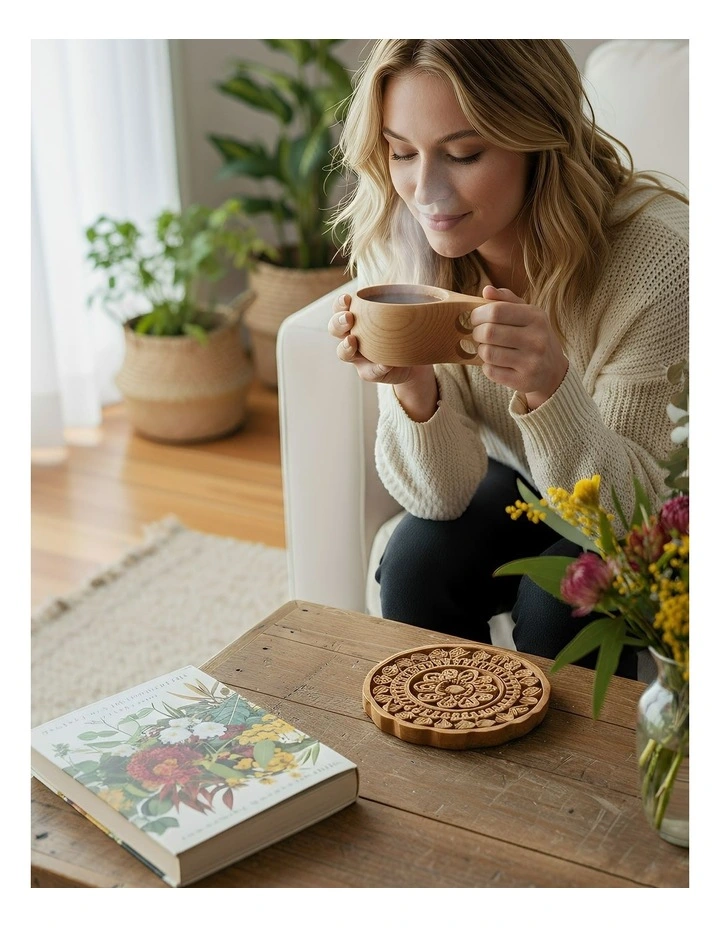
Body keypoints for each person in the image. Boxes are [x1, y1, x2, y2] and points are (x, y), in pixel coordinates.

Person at [326, 40, 688, 678]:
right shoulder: (406, 241)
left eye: (464, 153)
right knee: (415, 563)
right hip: (532, 477)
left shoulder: (655, 263)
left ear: (537, 138)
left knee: (563, 602)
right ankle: (442, 748)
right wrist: (414, 387)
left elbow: (636, 519)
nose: (425, 191)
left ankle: (564, 781)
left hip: (656, 505)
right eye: (402, 151)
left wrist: (551, 388)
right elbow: (439, 498)